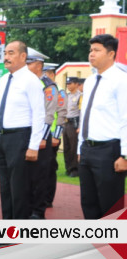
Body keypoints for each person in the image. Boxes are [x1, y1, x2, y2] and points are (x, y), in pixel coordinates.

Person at [78, 34, 127, 219]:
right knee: (88, 203)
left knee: (110, 205)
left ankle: (113, 246)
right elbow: (85, 116)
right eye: (91, 50)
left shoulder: (121, 81)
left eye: (97, 50)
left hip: (109, 151)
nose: (91, 54)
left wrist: (125, 155)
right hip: (87, 149)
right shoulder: (90, 81)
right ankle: (93, 245)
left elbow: (126, 119)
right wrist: (80, 147)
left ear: (111, 54)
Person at [0, 40, 45, 219]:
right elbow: (1, 110)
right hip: (3, 137)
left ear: (23, 56)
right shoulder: (4, 79)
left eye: (11, 53)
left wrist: (33, 145)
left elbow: (39, 114)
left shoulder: (31, 80)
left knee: (19, 188)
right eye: (5, 53)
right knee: (5, 187)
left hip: (20, 137)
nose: (6, 57)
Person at [26, 47, 59, 219]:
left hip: (41, 137)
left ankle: (38, 212)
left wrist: (41, 137)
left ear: (39, 65)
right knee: (26, 176)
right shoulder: (26, 81)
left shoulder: (48, 85)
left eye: (29, 63)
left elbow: (49, 114)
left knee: (39, 175)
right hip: (25, 134)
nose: (26, 66)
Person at [42, 63, 67, 208]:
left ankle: (48, 198)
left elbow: (62, 114)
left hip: (51, 135)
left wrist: (57, 136)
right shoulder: (44, 89)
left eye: (46, 74)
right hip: (41, 135)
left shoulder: (60, 91)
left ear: (52, 75)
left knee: (50, 168)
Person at [63, 76, 81, 177]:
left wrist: (80, 126)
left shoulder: (80, 96)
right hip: (66, 123)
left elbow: (81, 112)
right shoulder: (67, 95)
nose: (68, 85)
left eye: (70, 83)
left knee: (74, 147)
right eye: (67, 84)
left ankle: (74, 169)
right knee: (66, 147)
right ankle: (68, 167)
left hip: (74, 123)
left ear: (76, 84)